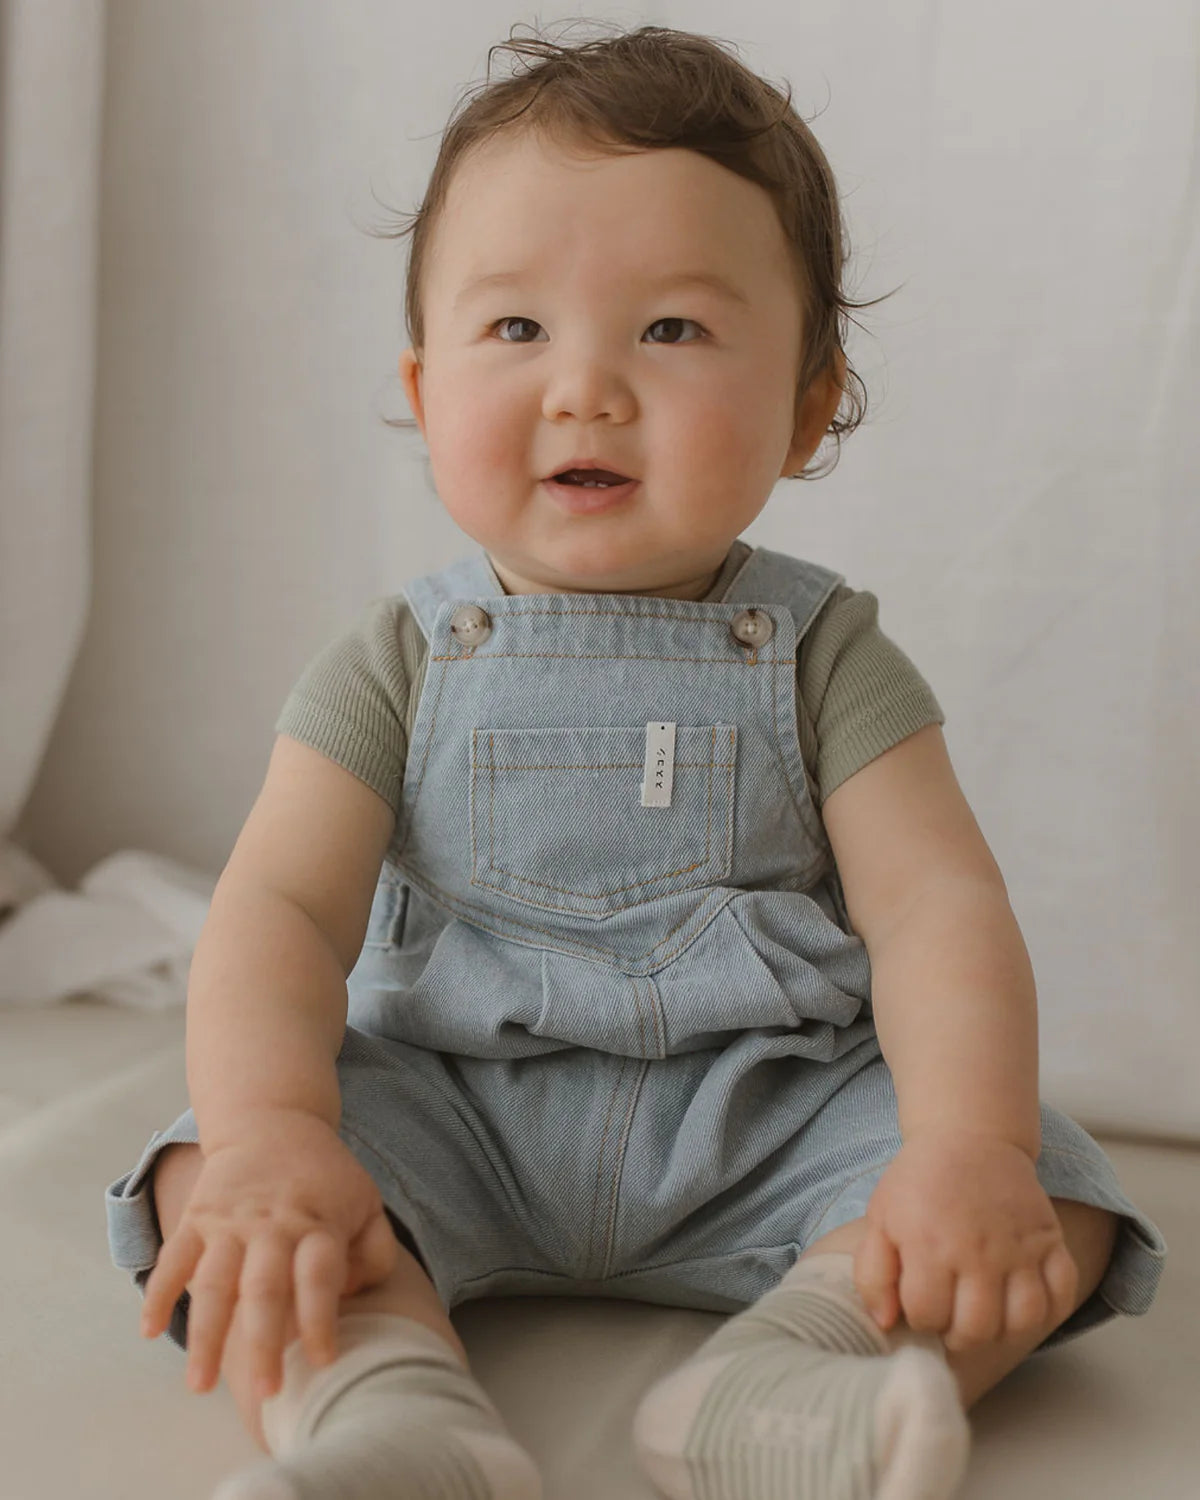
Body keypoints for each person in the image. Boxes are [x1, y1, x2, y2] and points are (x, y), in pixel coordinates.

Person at [105, 21, 1167, 1500]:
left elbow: (936, 912)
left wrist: (966, 1145)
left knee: (1055, 1199)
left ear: (807, 404)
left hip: (765, 1110)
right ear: (423, 387)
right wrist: (279, 1135)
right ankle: (392, 1415)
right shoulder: (395, 663)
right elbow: (278, 914)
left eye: (670, 330)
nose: (586, 388)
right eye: (518, 329)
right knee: (209, 1184)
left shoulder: (827, 655)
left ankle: (788, 1378)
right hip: (452, 1106)